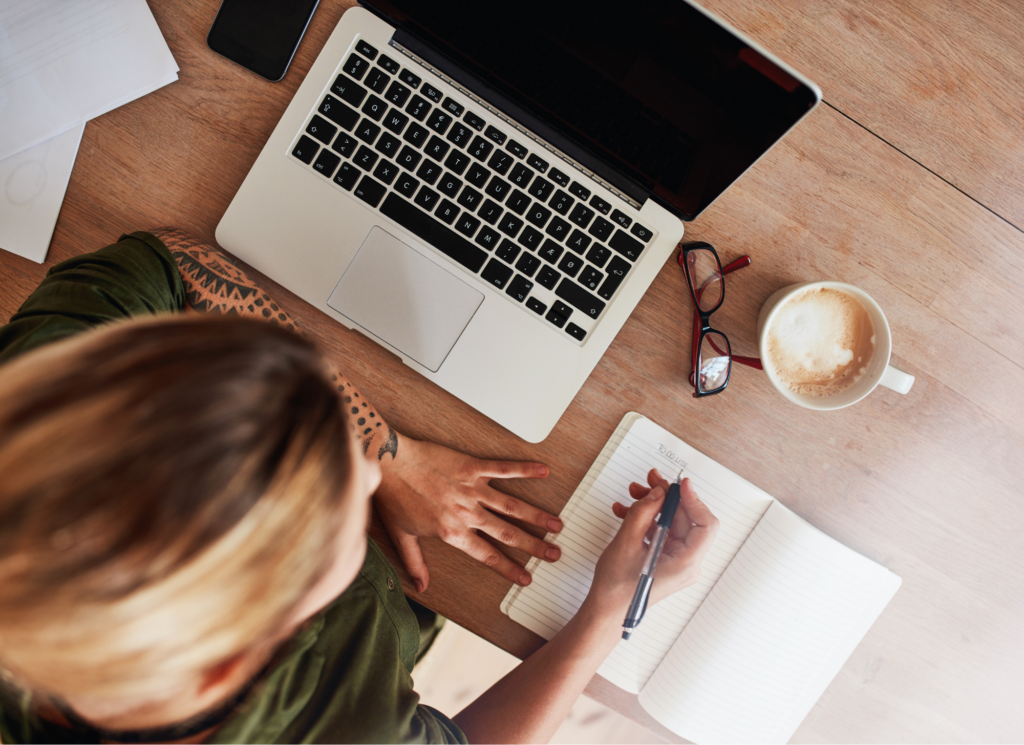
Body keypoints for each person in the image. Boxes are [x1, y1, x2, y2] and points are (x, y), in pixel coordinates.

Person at [0, 230, 719, 743]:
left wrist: (395, 451)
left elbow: (167, 260)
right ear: (239, 660)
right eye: (341, 505)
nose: (370, 467)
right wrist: (605, 616)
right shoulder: (341, 727)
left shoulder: (36, 414)